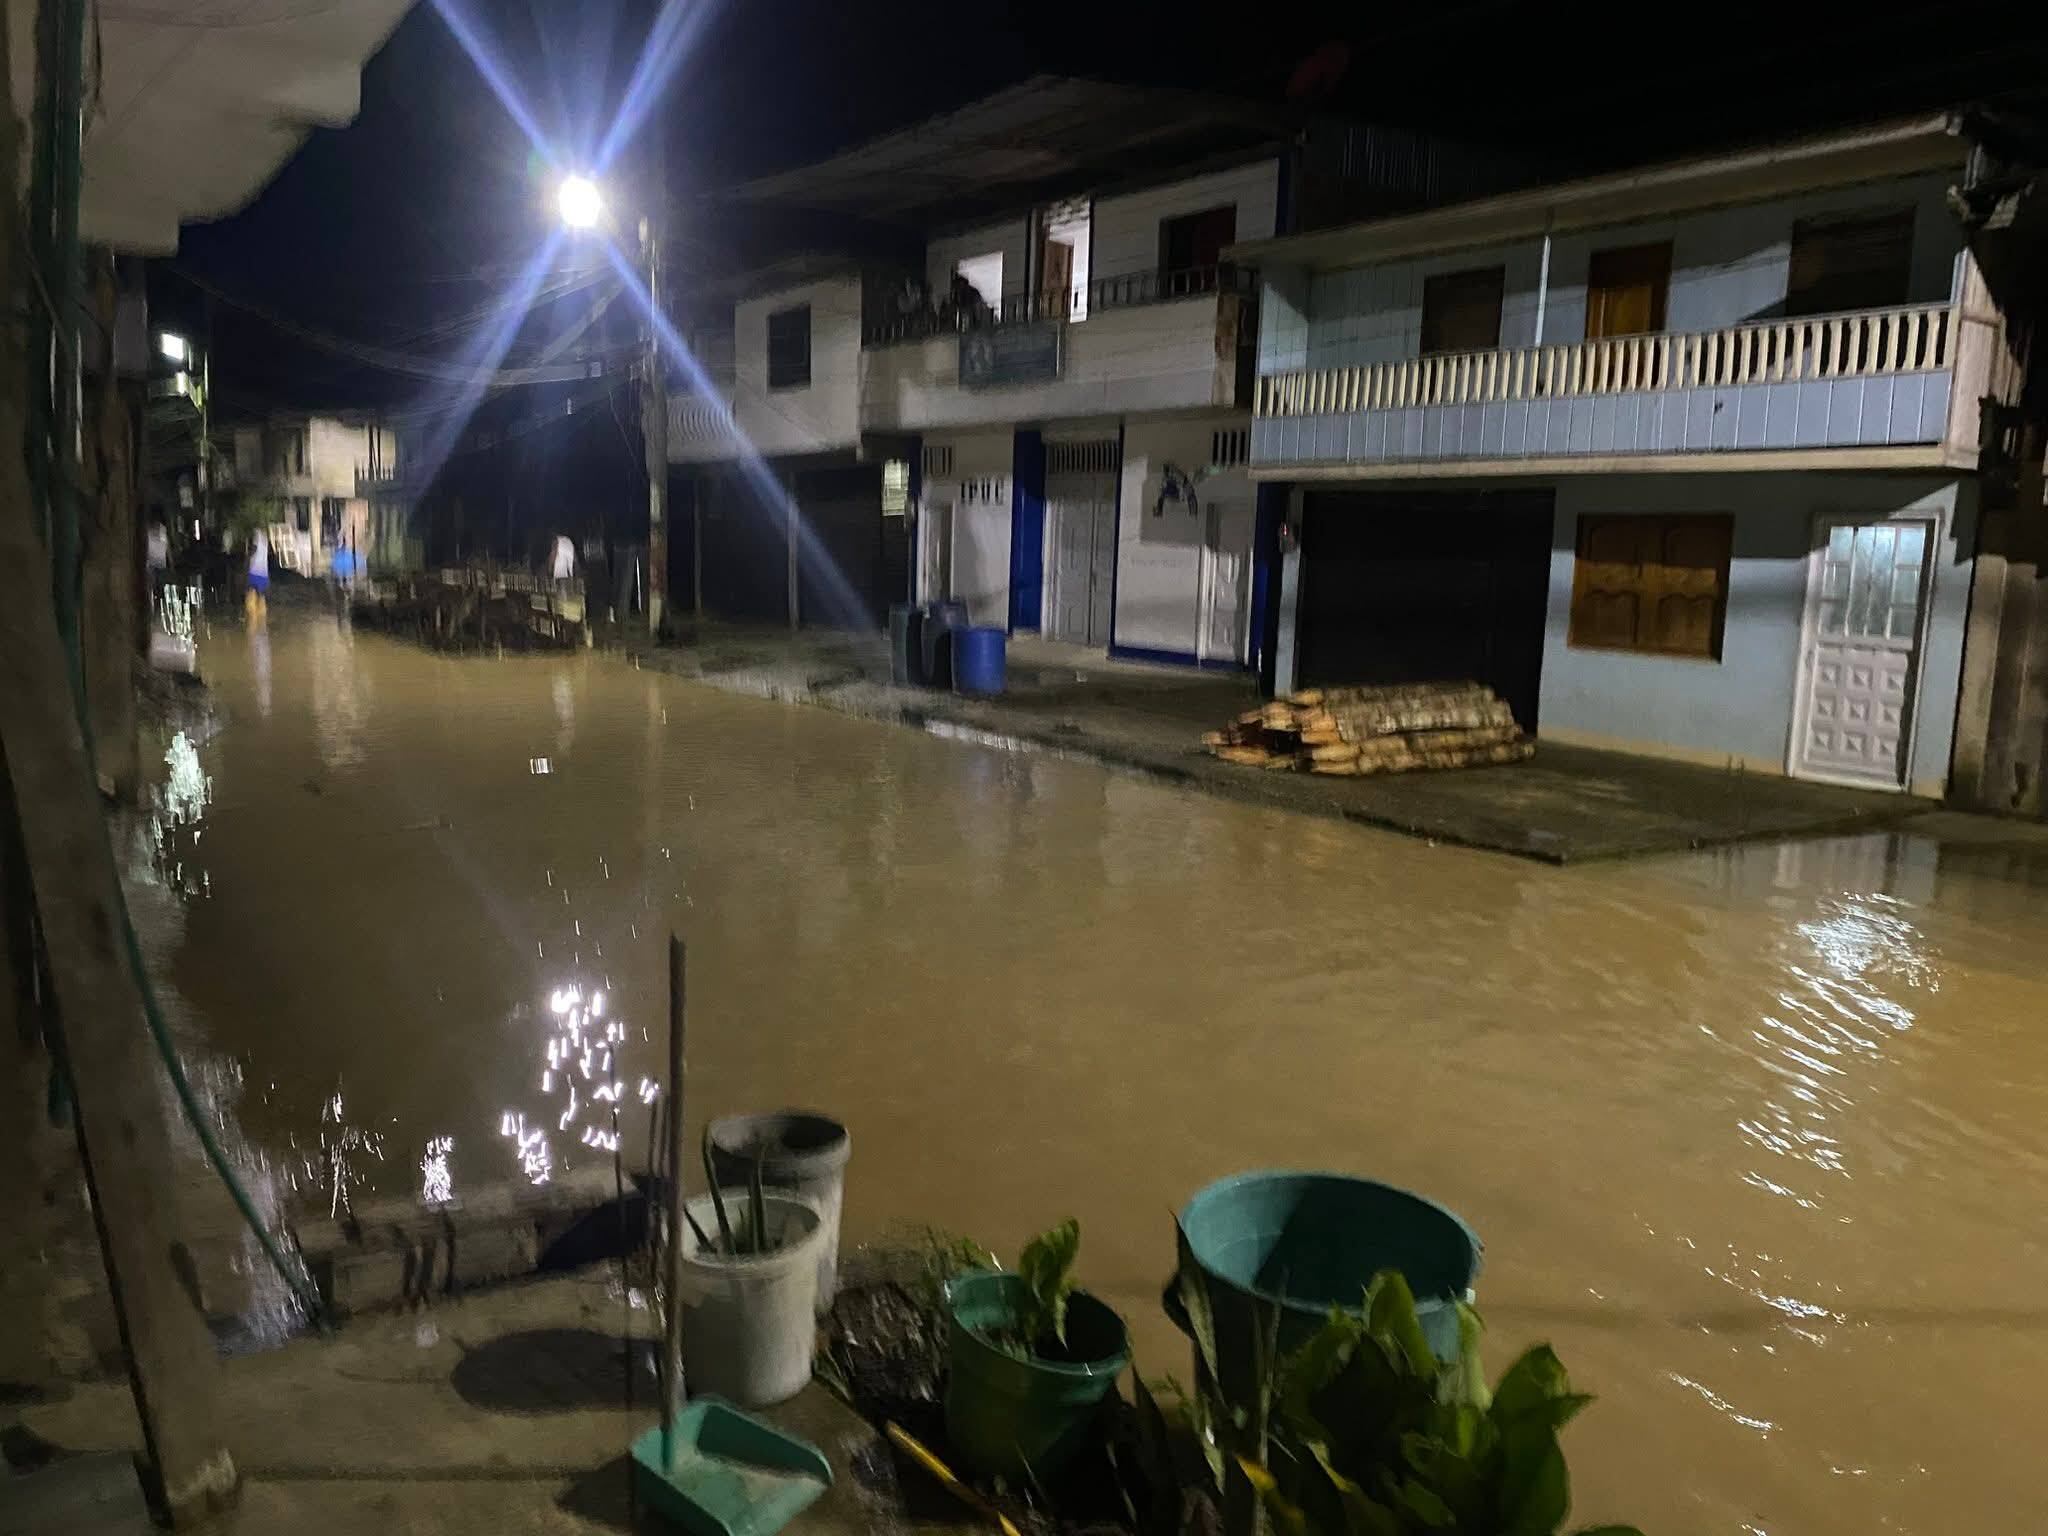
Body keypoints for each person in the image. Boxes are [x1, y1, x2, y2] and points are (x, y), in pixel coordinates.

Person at [246, 526, 270, 621]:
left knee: (251, 595)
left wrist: (248, 556)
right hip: (264, 572)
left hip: (255, 570)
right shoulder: (265, 535)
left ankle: (253, 622)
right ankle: (262, 622)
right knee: (261, 597)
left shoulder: (256, 533)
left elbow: (254, 548)